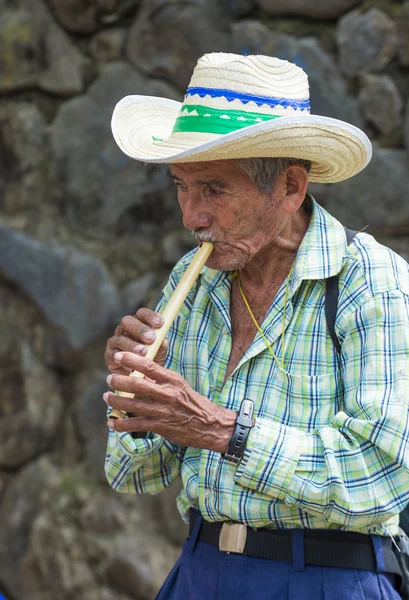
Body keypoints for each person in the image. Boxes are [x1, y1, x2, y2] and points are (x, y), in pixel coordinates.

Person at [104, 53, 409, 599]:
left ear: (291, 187)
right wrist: (138, 400)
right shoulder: (194, 280)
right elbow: (134, 476)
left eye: (214, 191)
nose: (190, 216)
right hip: (201, 570)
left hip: (327, 579)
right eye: (181, 186)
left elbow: (381, 478)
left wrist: (223, 431)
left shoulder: (371, 279)